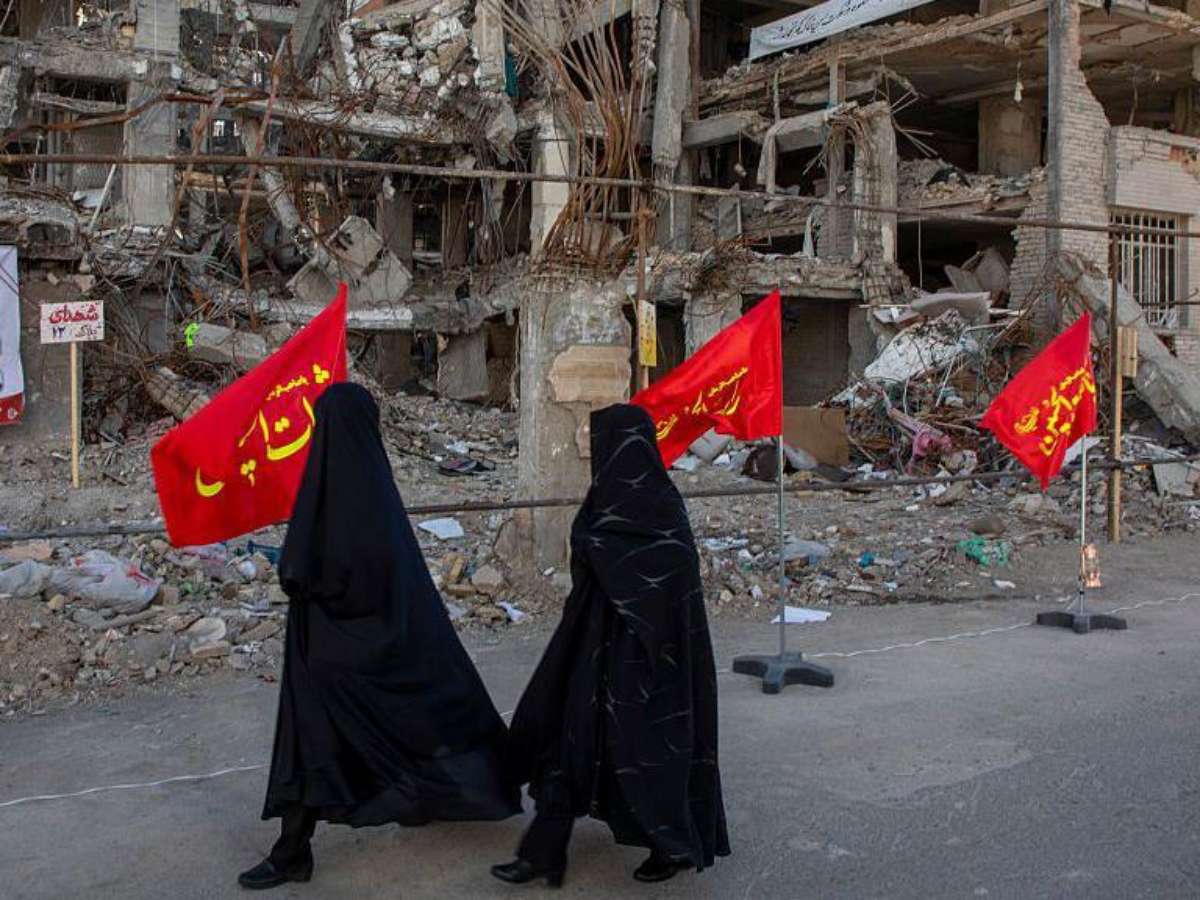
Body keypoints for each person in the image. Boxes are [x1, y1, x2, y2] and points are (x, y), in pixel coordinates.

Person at [239, 382, 520, 890]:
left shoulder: (324, 494)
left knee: (309, 745)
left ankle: (292, 852)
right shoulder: (380, 496)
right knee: (415, 717)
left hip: (325, 653)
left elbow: (296, 570)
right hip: (385, 648)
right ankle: (440, 793)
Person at [492, 403, 729, 887]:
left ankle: (670, 847)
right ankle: (542, 853)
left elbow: (670, 583)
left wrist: (605, 556)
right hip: (589, 648)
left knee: (645, 758)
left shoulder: (661, 512)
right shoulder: (604, 502)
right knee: (565, 742)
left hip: (647, 664)